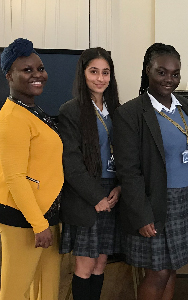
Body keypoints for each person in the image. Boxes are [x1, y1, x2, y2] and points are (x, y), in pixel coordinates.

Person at [113, 43, 188, 300]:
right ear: (147, 71)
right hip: (155, 202)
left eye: (175, 73)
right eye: (161, 72)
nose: (169, 79)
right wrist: (141, 214)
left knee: (171, 268)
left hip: (185, 200)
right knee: (158, 272)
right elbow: (128, 171)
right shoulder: (131, 113)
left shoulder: (186, 106)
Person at [0, 38, 63, 300]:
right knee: (16, 290)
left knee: (46, 289)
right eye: (27, 70)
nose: (37, 75)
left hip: (48, 215)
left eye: (40, 68)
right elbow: (14, 178)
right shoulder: (12, 118)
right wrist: (39, 225)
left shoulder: (33, 111)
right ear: (9, 76)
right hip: (25, 221)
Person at [58, 47, 121, 300]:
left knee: (101, 262)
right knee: (84, 266)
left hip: (113, 194)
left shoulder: (117, 110)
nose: (100, 78)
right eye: (93, 71)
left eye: (105, 72)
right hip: (87, 198)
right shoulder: (70, 111)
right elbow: (71, 163)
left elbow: (126, 156)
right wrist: (97, 198)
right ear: (83, 73)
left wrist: (119, 187)